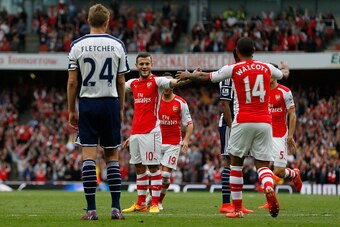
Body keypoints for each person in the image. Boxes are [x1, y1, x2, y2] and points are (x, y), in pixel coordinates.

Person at [176, 37, 290, 218]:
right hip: (265, 122)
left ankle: (237, 209)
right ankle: (268, 186)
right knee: (262, 165)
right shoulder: (267, 67)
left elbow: (207, 77)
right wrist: (285, 67)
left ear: (237, 51)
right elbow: (284, 75)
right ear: (254, 51)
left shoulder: (234, 68)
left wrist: (189, 75)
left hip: (243, 119)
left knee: (235, 164)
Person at [67, 3, 129, 220]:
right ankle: (116, 208)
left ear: (88, 20)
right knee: (112, 156)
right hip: (110, 102)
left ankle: (92, 210)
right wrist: (121, 108)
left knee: (88, 157)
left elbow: (73, 82)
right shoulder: (117, 44)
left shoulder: (77, 45)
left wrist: (71, 110)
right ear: (107, 21)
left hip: (88, 103)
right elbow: (121, 81)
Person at [122, 53, 190, 214]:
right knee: (139, 168)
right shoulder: (133, 83)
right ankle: (140, 204)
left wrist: (188, 77)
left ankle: (154, 203)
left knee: (153, 167)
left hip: (151, 131)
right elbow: (118, 86)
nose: (144, 66)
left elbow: (172, 82)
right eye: (141, 64)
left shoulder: (157, 81)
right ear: (137, 66)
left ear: (151, 65)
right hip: (135, 132)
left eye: (147, 64)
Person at [146, 72, 194, 211]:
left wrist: (185, 140)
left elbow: (189, 123)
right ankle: (151, 197)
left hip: (173, 143)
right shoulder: (155, 101)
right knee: (153, 173)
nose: (166, 87)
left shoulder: (180, 103)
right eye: (164, 84)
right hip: (156, 140)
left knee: (165, 176)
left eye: (169, 83)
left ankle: (158, 201)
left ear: (174, 84)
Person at [258, 63, 302, 209]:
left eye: (271, 74)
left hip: (279, 135)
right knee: (263, 167)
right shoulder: (261, 92)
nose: (268, 77)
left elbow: (292, 114)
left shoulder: (284, 92)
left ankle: (294, 174)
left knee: (278, 171)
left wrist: (290, 136)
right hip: (264, 135)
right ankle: (269, 199)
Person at [218, 49, 253, 214]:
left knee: (238, 164)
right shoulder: (228, 74)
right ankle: (226, 203)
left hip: (242, 123)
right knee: (229, 162)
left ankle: (238, 203)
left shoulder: (244, 74)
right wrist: (233, 126)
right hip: (229, 124)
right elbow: (224, 104)